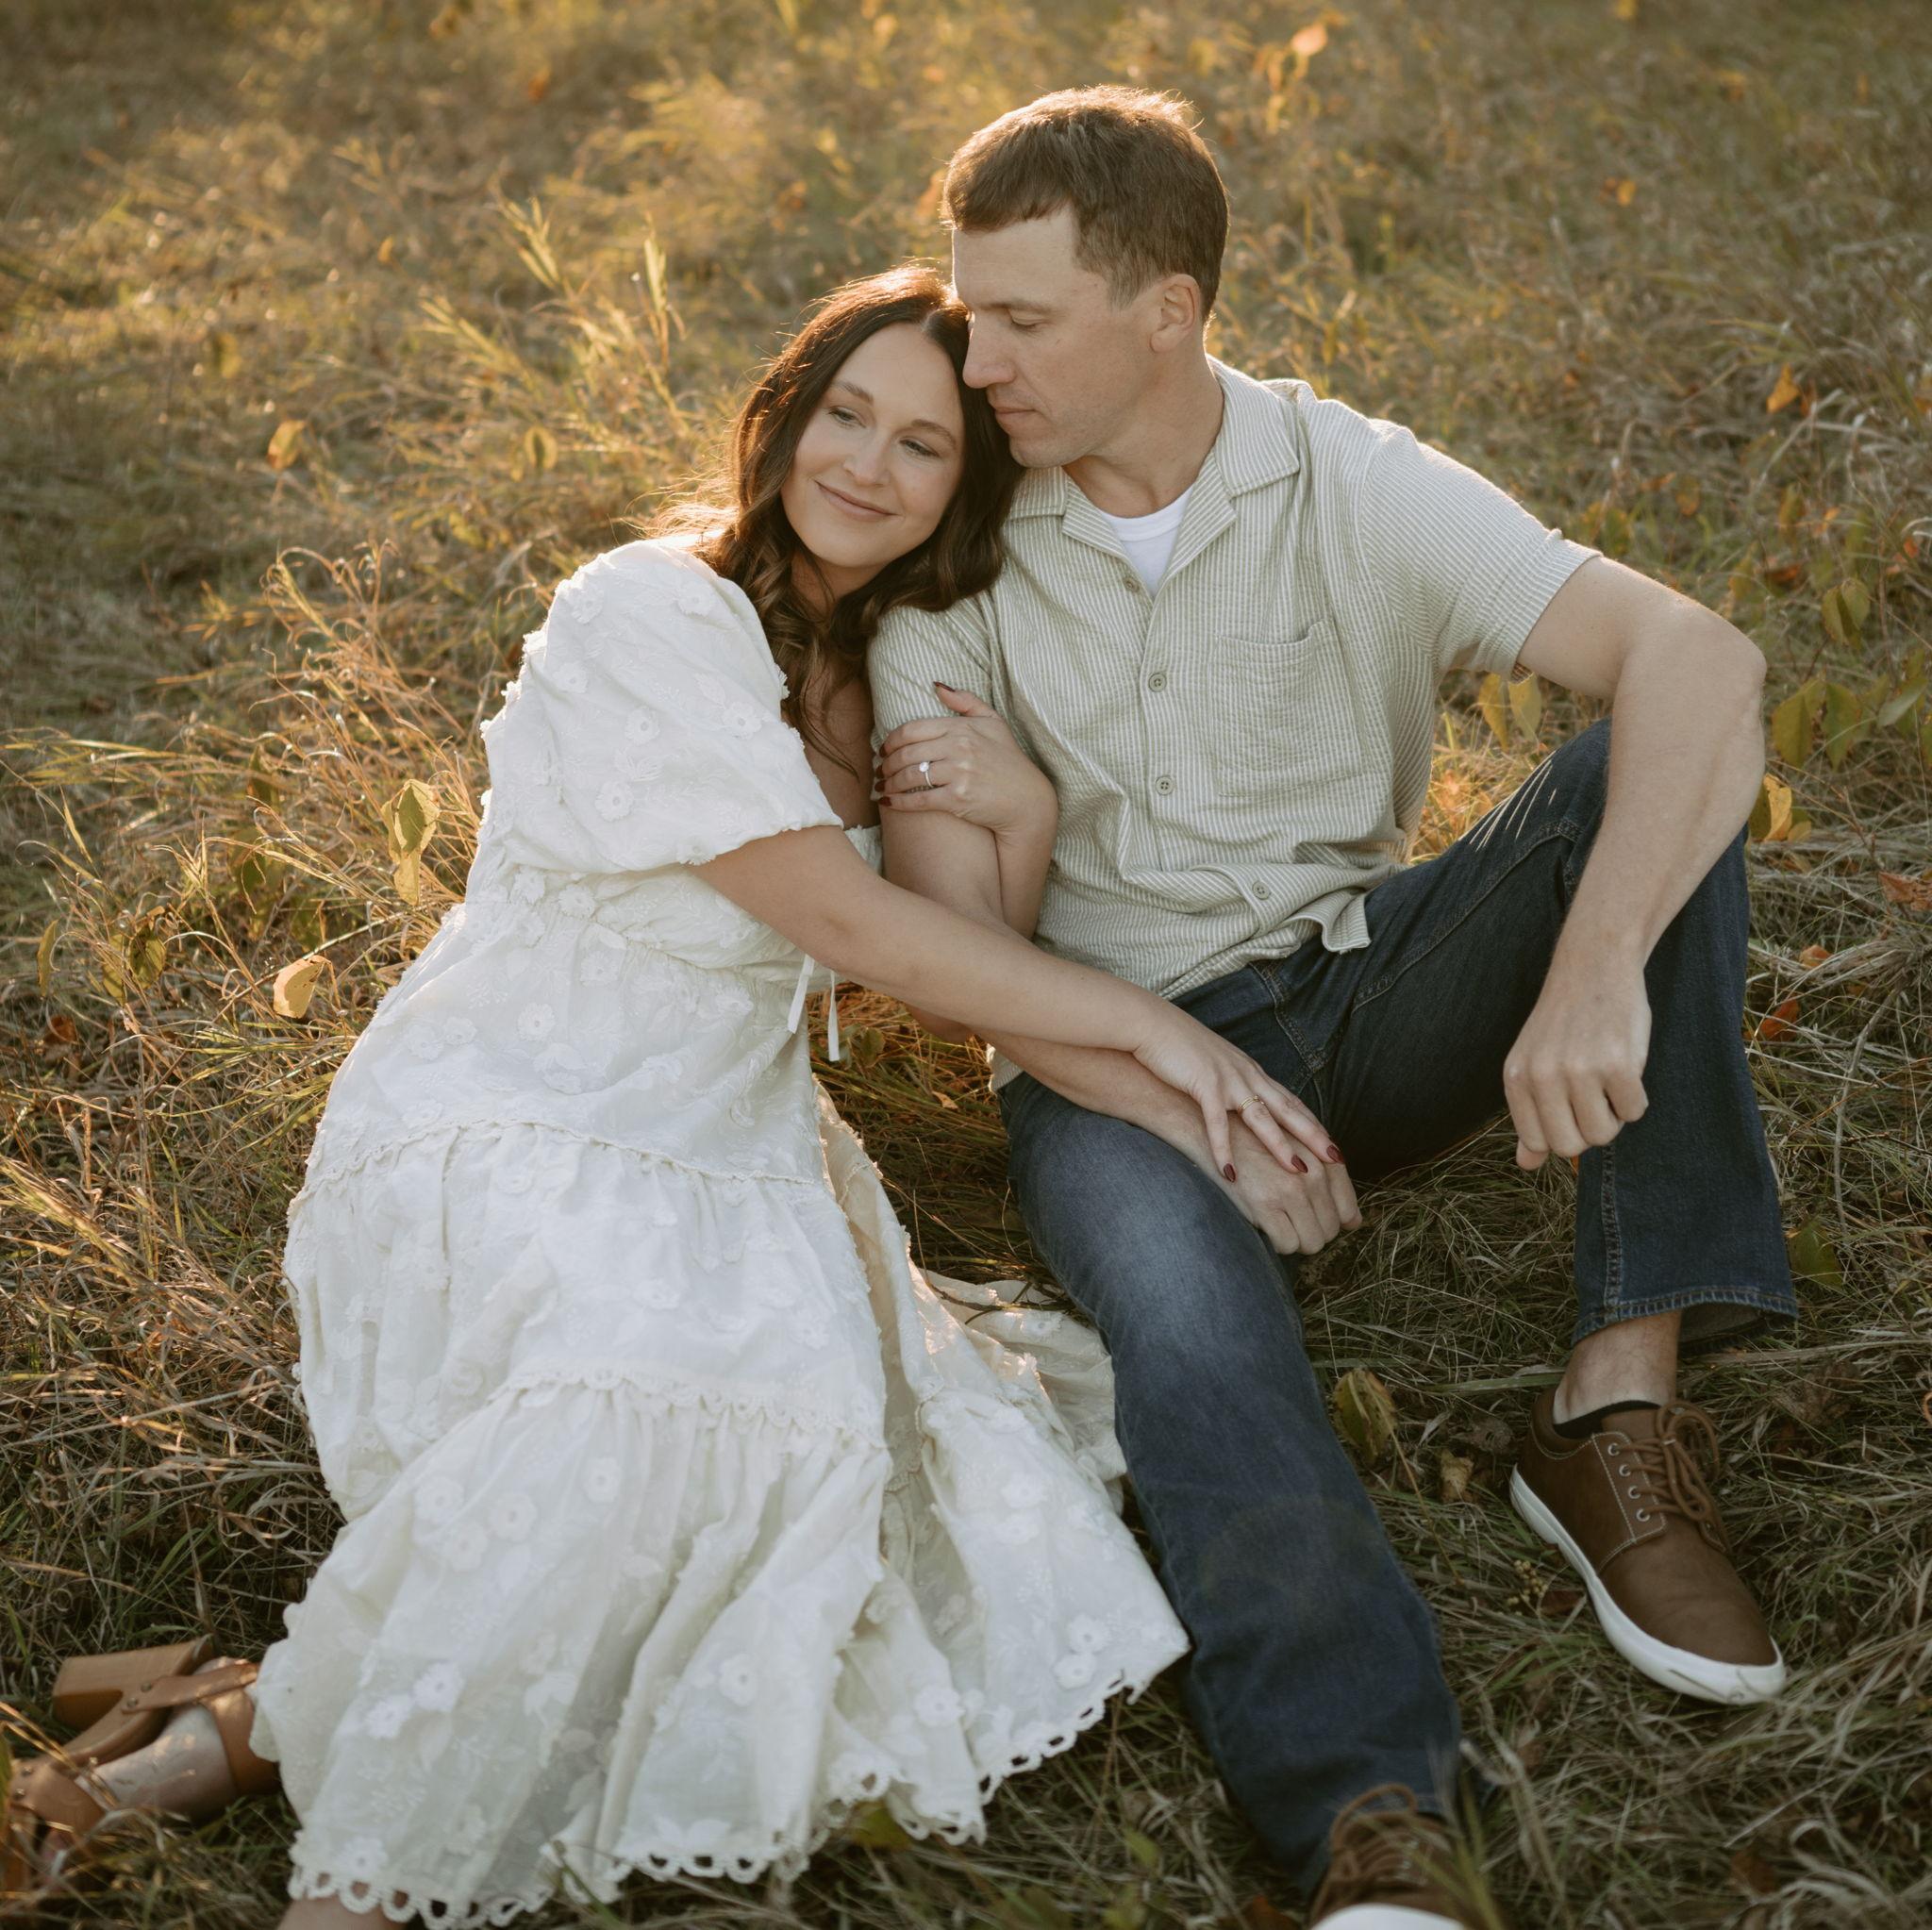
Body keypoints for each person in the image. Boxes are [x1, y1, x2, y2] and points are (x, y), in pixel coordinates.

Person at [3, 265, 1333, 1923]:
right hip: (513, 1107)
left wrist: (1030, 815)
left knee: (791, 1467)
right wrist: (1175, 1042)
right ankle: (345, 1892)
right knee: (626, 1412)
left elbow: (960, 969)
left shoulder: (893, 667)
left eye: (923, 444)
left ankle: (219, 1731)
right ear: (785, 412)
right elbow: (858, 927)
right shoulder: (648, 608)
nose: (867, 464)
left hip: (737, 1144)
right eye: (846, 412)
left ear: (965, 489)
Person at [870, 89, 1798, 1930]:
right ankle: (1375, 1817)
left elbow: (1698, 656)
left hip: (1367, 986)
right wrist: (1178, 1085)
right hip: (1103, 1063)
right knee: (1199, 1345)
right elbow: (955, 947)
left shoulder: (1344, 477)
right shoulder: (953, 539)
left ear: (1168, 311)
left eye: (1022, 321)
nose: (975, 367)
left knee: (1645, 766)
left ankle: (1613, 1404)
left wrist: (1592, 965)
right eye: (971, 317)